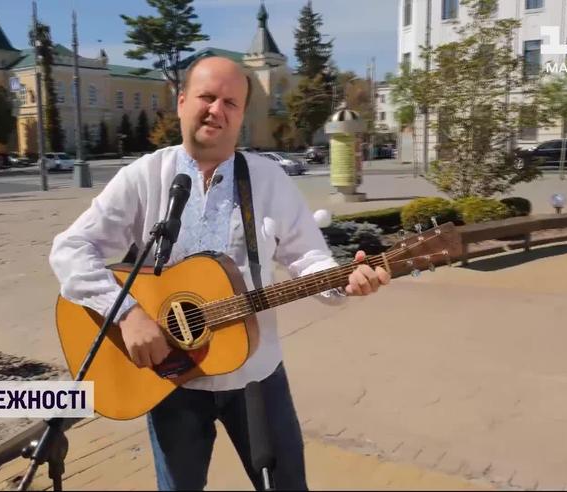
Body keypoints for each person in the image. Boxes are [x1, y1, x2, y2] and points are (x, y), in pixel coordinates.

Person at [49, 56, 390, 491]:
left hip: (256, 377)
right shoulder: (145, 176)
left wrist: (343, 282)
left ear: (242, 115)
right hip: (170, 378)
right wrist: (127, 315)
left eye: (231, 103)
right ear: (181, 102)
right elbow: (70, 250)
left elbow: (309, 258)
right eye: (207, 97)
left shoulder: (267, 179)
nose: (217, 110)